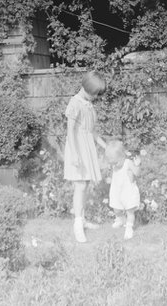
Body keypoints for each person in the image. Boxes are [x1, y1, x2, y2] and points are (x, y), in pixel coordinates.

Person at [64, 71, 107, 243]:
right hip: (77, 148)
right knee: (80, 186)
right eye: (96, 93)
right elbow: (70, 132)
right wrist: (74, 154)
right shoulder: (75, 103)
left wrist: (106, 146)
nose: (97, 97)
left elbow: (92, 132)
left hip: (87, 148)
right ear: (88, 89)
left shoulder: (88, 104)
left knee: (85, 185)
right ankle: (77, 226)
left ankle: (82, 219)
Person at [105, 140, 141, 240]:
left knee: (130, 211)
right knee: (116, 208)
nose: (114, 165)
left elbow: (137, 173)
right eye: (111, 163)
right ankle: (120, 219)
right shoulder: (114, 164)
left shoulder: (128, 163)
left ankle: (129, 228)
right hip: (117, 191)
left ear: (123, 156)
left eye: (115, 162)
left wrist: (137, 165)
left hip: (128, 191)